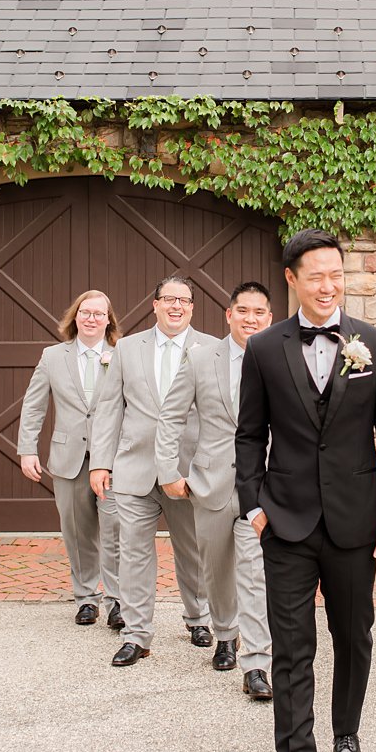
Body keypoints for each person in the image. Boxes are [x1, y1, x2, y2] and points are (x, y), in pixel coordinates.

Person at [234, 229, 376, 752]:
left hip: (356, 523)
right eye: (316, 275)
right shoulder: (263, 349)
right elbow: (248, 435)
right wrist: (252, 505)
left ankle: (347, 735)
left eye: (336, 274)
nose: (329, 284)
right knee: (292, 650)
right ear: (292, 279)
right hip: (283, 521)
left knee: (353, 636)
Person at [89, 277, 217, 667]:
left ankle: (198, 619)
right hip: (134, 466)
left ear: (192, 308)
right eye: (168, 299)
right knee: (133, 554)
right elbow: (110, 407)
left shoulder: (211, 349)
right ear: (155, 304)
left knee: (193, 550)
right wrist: (100, 461)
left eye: (184, 300)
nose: (176, 306)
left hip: (187, 469)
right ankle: (136, 634)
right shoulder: (127, 348)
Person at [158, 281, 276, 696]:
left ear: (269, 317)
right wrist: (168, 470)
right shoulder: (200, 357)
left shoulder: (281, 357)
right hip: (209, 481)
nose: (251, 319)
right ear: (229, 315)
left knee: (255, 570)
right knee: (216, 567)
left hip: (262, 485)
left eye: (259, 312)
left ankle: (257, 661)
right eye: (242, 311)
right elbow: (171, 417)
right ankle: (225, 634)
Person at [16, 290, 123, 629]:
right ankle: (86, 599)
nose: (91, 318)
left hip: (113, 461)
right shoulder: (52, 357)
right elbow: (34, 405)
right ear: (75, 317)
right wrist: (27, 449)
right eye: (85, 312)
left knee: (116, 531)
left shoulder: (122, 355)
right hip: (68, 459)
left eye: (98, 313)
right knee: (77, 532)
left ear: (108, 321)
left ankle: (118, 602)